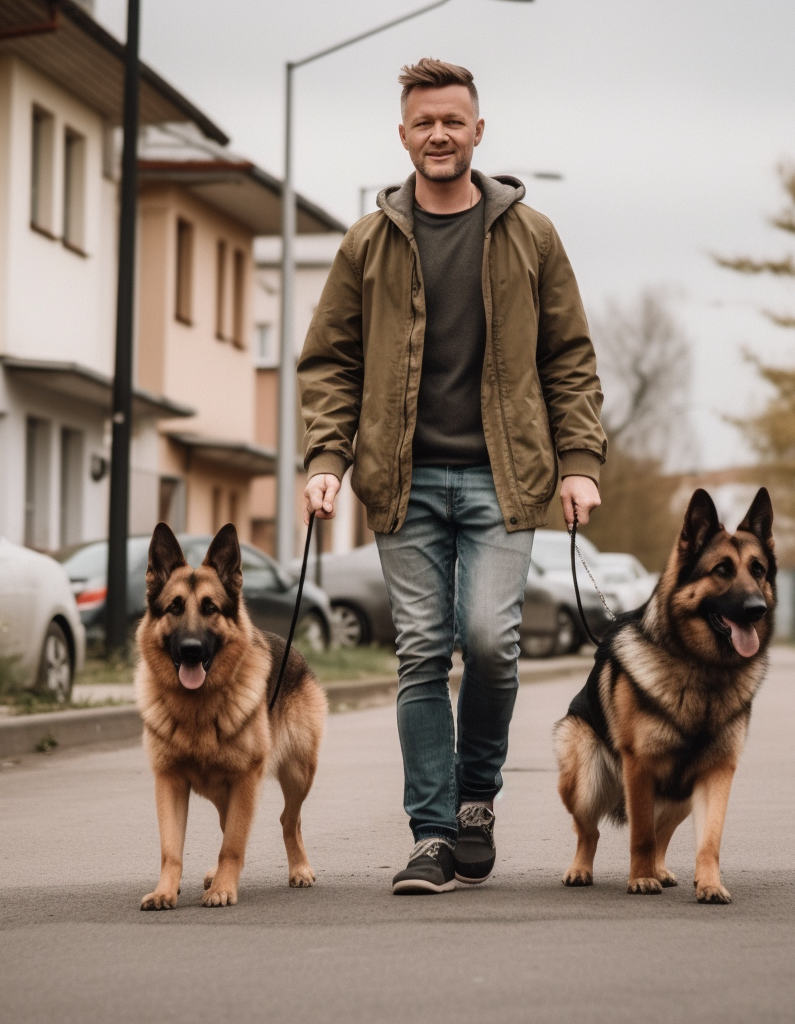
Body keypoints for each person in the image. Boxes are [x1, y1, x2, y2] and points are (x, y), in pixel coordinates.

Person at [298, 58, 606, 894]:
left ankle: (477, 798)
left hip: (503, 479)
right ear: (404, 136)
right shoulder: (368, 242)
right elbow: (330, 363)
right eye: (423, 122)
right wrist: (327, 459)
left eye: (453, 121)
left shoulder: (530, 235)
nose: (439, 133)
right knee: (423, 653)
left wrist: (579, 464)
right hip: (401, 482)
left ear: (478, 131)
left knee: (489, 642)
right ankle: (434, 832)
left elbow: (569, 359)